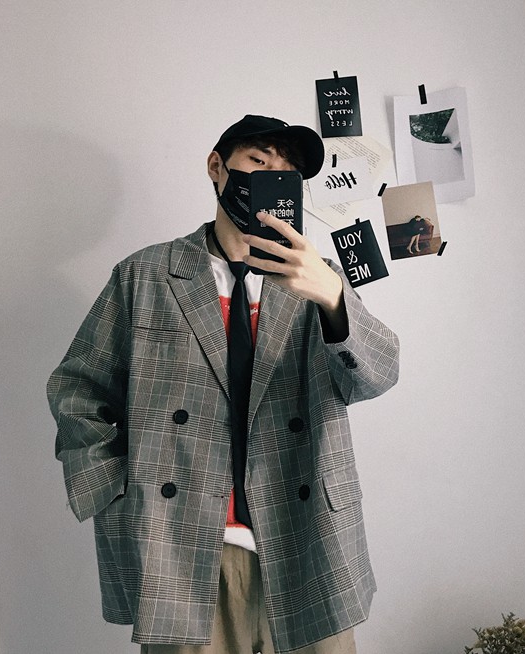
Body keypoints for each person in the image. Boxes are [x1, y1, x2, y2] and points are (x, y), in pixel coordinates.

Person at [47, 114, 400, 654]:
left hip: (308, 538)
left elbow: (378, 375)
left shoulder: (318, 275)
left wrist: (332, 295)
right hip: (183, 545)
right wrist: (116, 489)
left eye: (287, 171)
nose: (272, 176)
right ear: (217, 167)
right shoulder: (145, 275)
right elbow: (78, 388)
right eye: (259, 160)